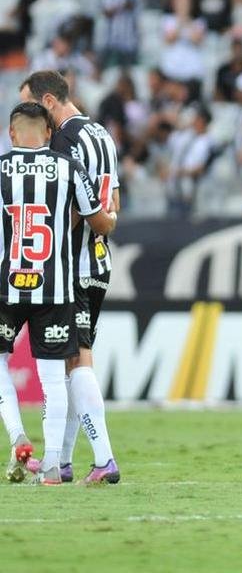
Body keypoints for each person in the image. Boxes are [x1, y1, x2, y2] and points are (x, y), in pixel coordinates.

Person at [0, 102, 116, 486]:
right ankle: (52, 464)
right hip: (58, 286)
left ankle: (16, 431)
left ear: (12, 133)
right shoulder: (69, 167)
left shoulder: (0, 170)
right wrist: (110, 216)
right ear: (49, 133)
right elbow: (97, 218)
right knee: (54, 376)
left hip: (8, 285)